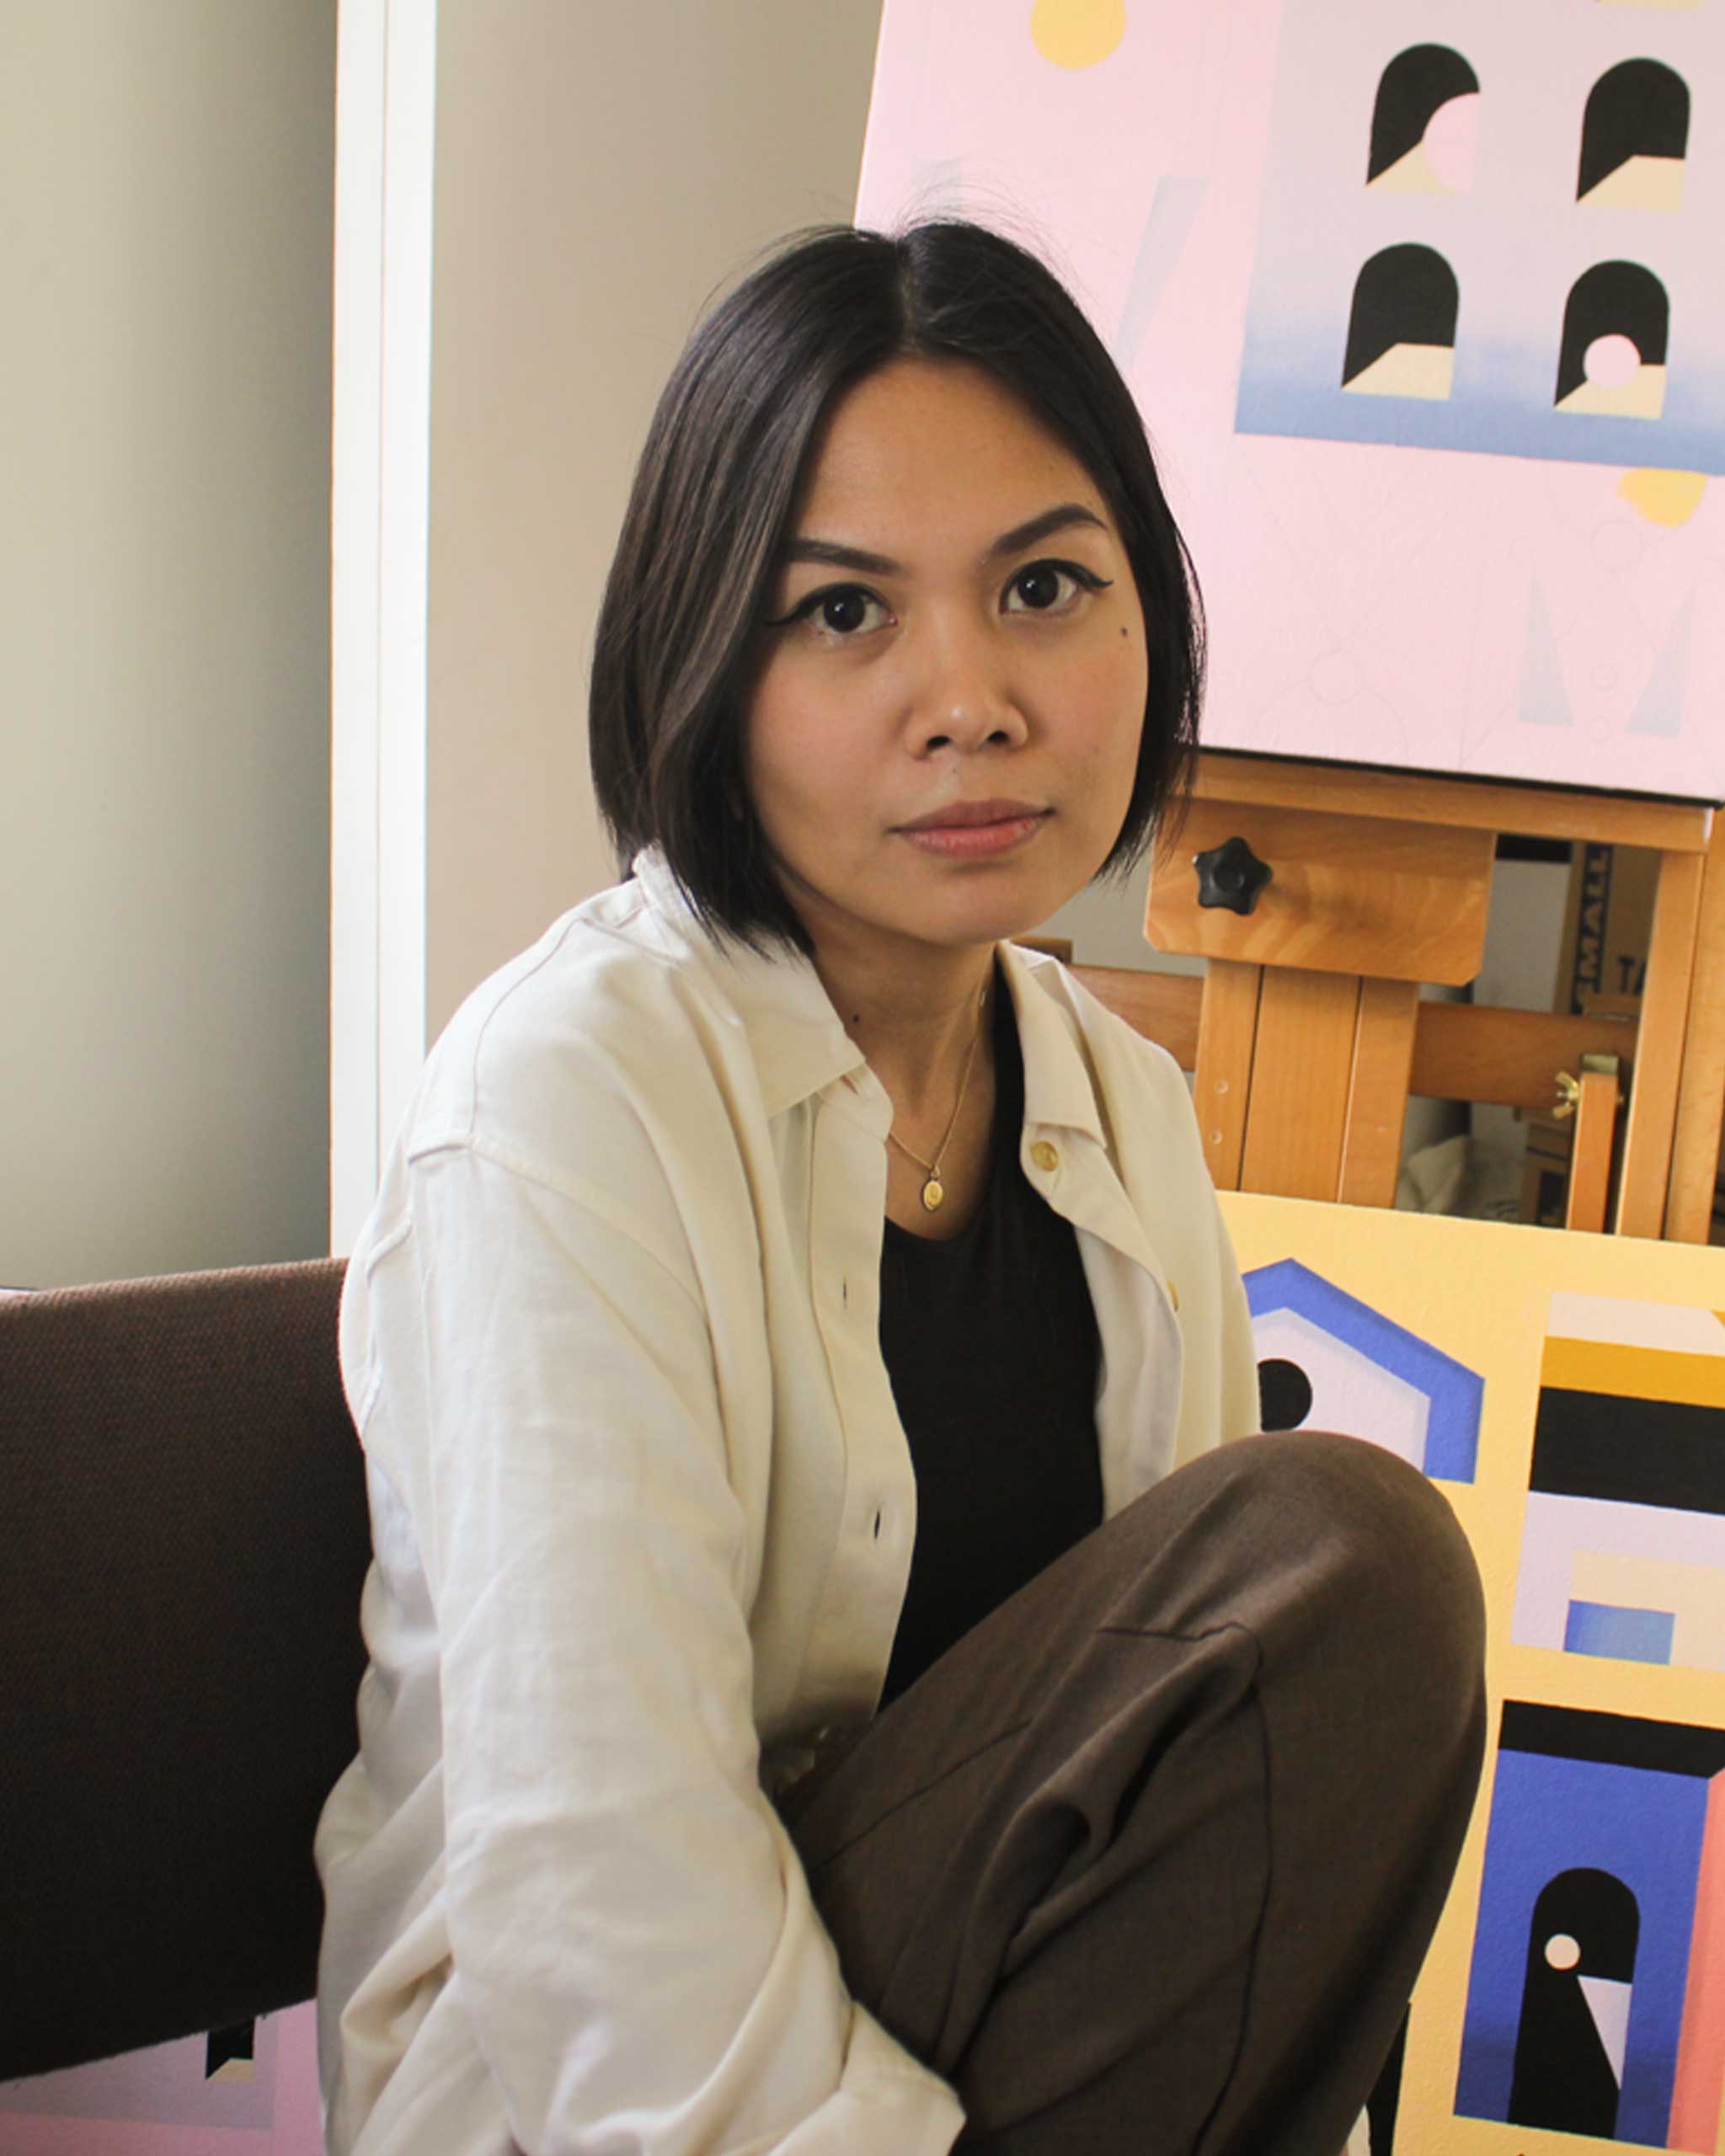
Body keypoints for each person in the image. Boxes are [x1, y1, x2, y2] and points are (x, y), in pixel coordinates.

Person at [314, 218, 1486, 2156]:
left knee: (1338, 1619)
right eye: (845, 611)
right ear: (704, 653)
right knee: (1338, 1549)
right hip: (600, 2095)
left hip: (983, 2036)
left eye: (1043, 586)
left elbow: (1210, 1820)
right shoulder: (566, 1097)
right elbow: (600, 1876)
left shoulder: (1121, 1106)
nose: (971, 697)